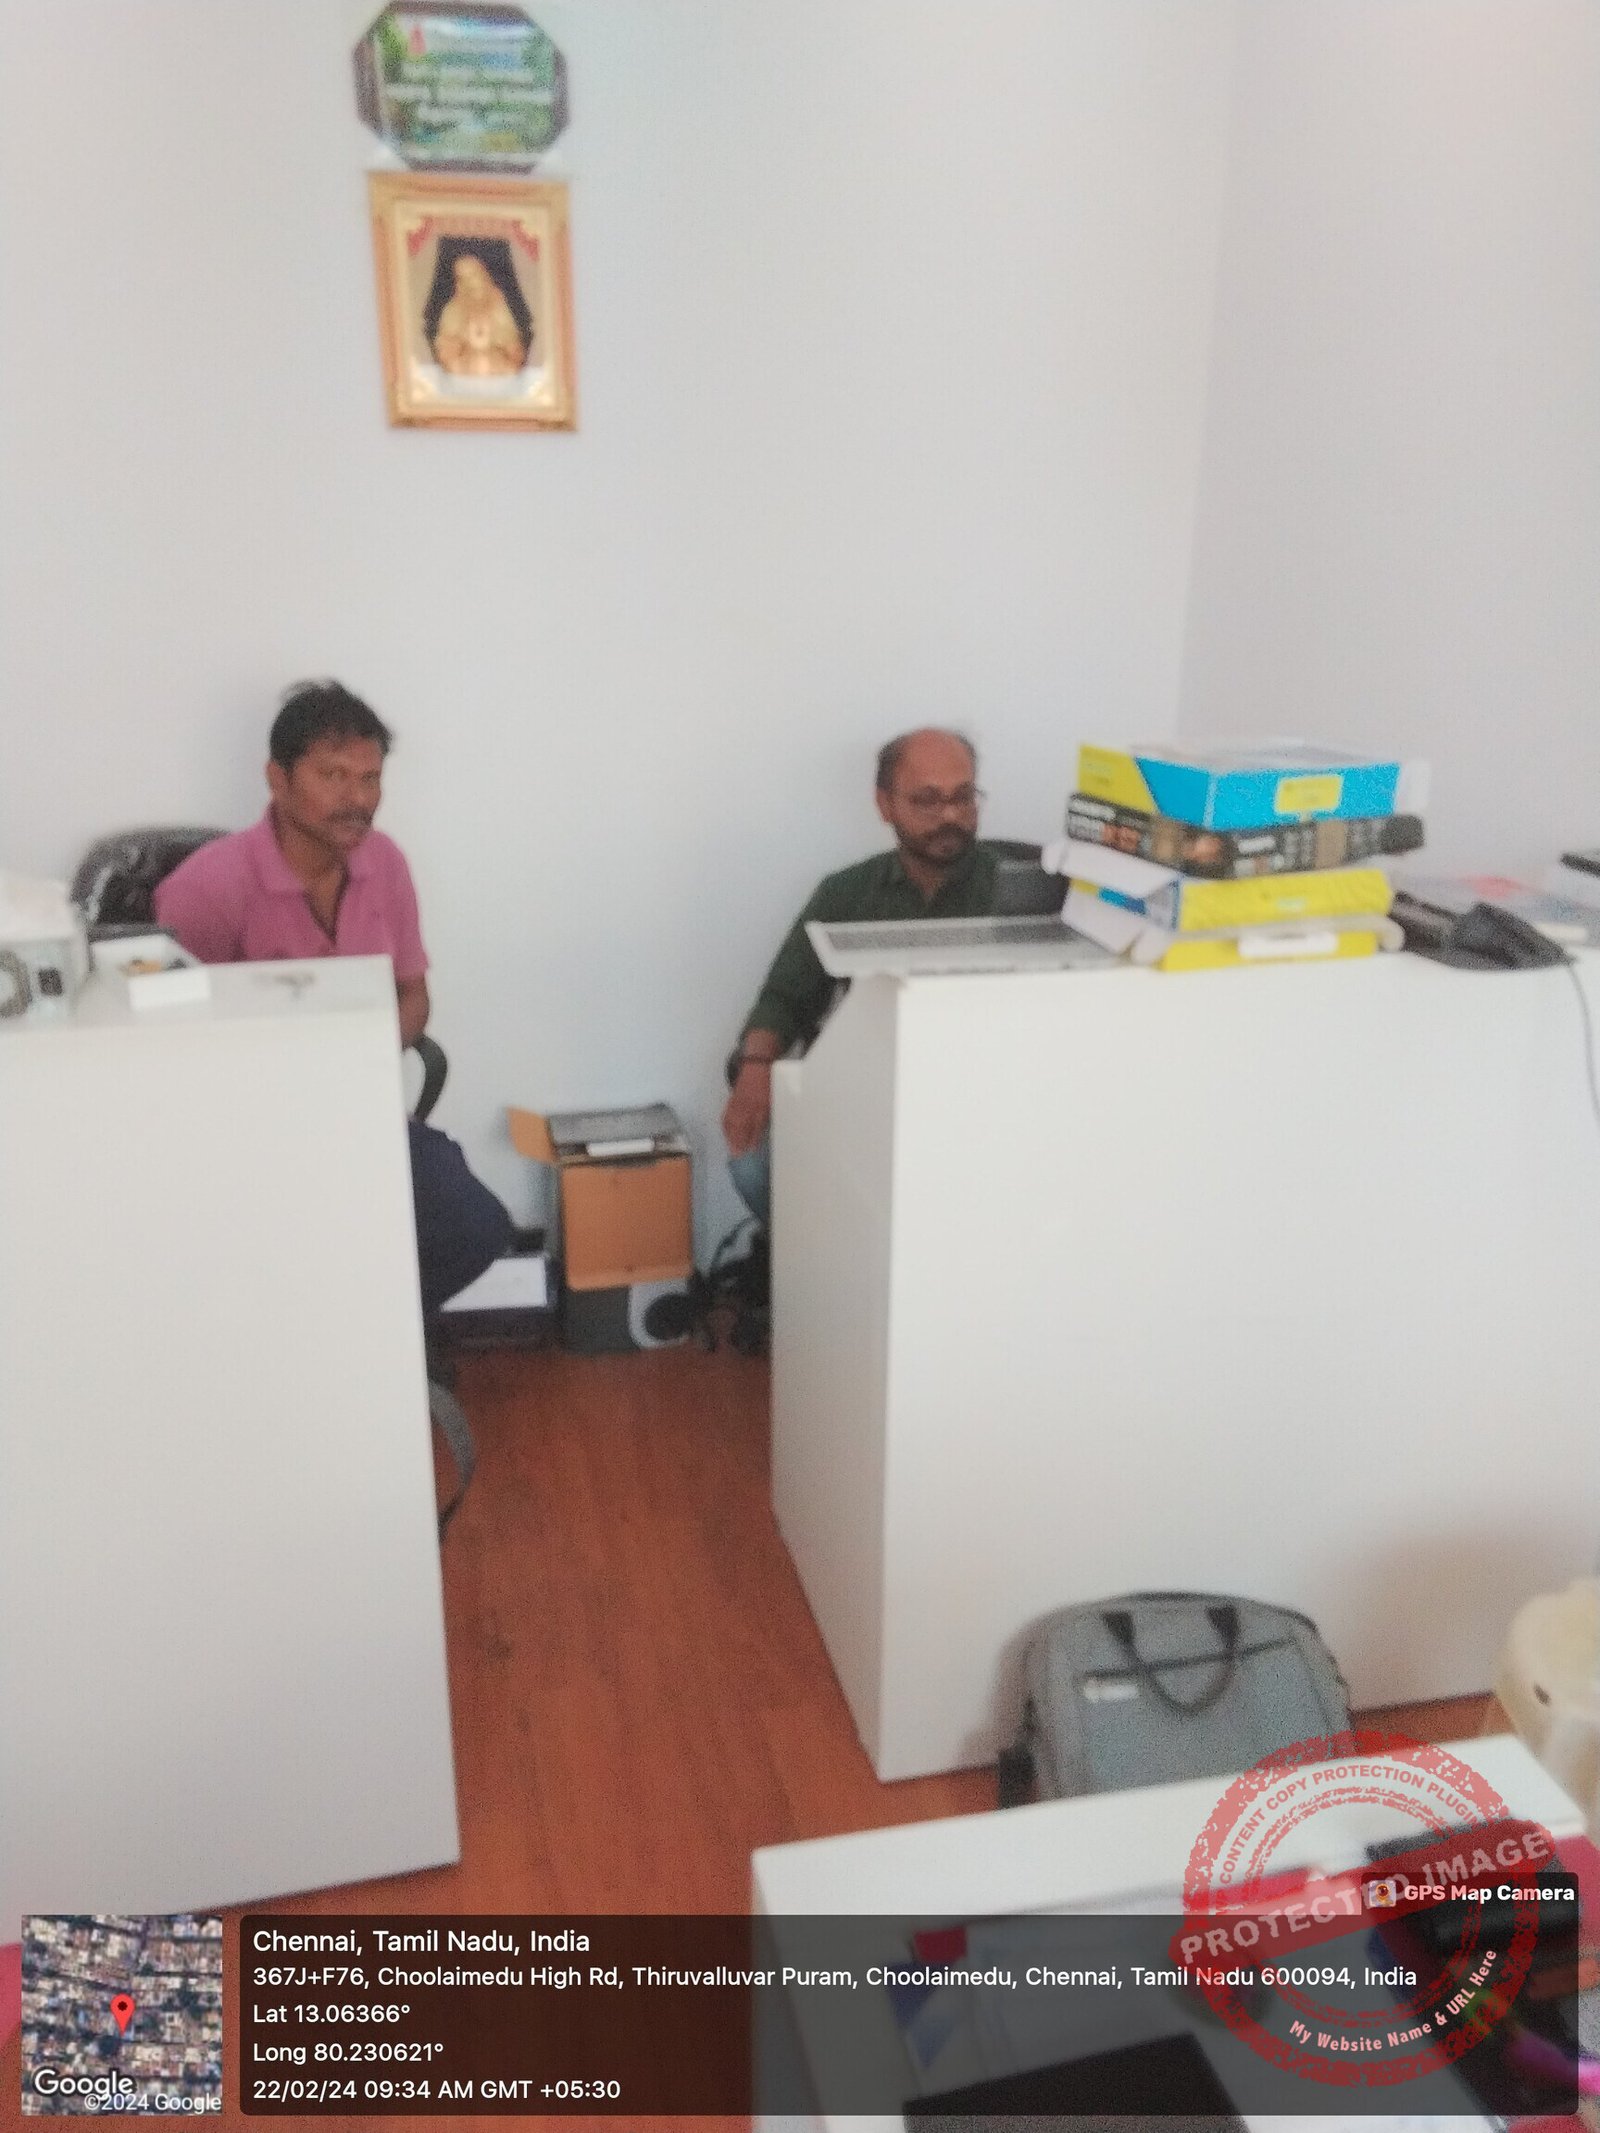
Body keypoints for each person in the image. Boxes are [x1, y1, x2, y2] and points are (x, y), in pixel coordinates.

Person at [154, 680, 513, 1320]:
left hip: (358, 1112)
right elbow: (170, 1047)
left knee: (475, 1225)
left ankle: (361, 1333)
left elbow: (413, 994)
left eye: (370, 779)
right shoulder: (207, 888)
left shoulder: (386, 864)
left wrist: (360, 1061)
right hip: (246, 1134)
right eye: (333, 776)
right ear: (278, 779)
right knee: (271, 1250)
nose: (357, 800)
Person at [722, 727, 1036, 1228]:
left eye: (963, 797)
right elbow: (783, 997)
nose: (950, 816)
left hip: (978, 1100)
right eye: (927, 800)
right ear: (885, 805)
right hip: (867, 1092)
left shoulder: (1021, 893)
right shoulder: (847, 893)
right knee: (753, 1166)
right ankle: (823, 1266)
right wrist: (756, 1068)